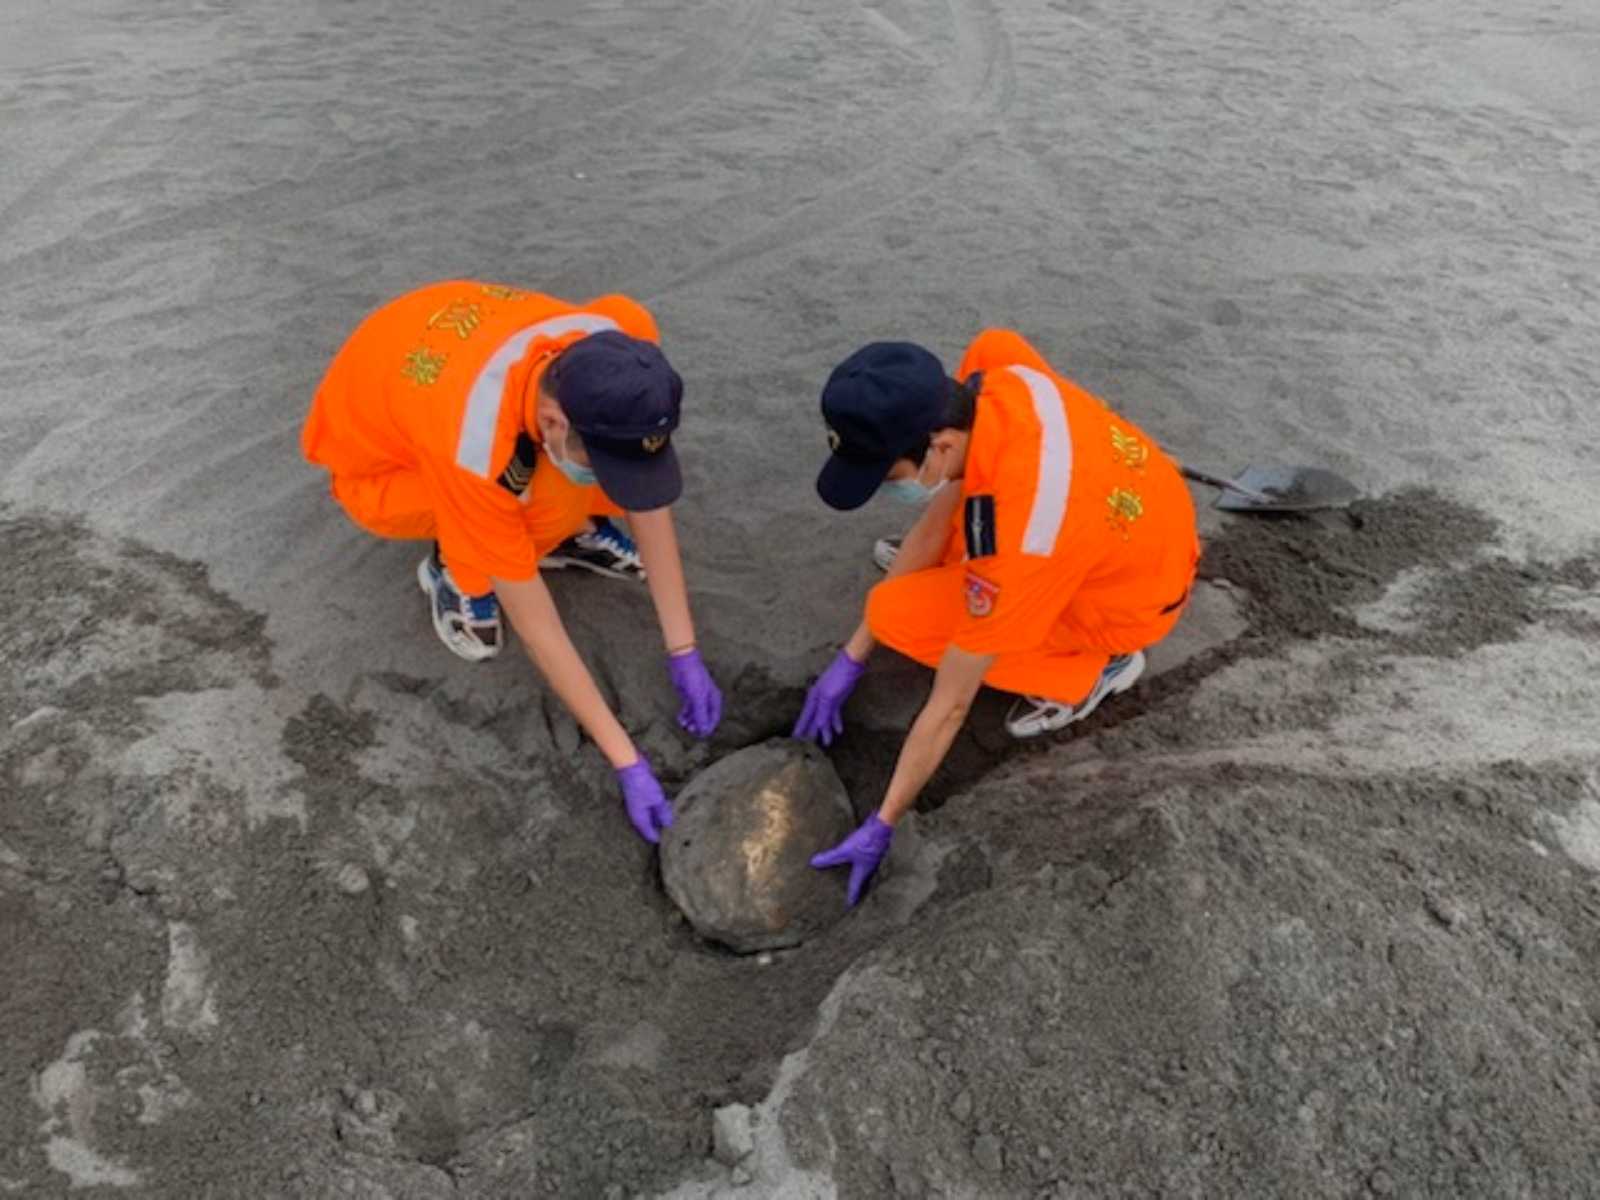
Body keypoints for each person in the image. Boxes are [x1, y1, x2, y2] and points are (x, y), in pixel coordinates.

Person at [302, 280, 723, 843]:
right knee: (516, 505)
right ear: (553, 422)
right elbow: (538, 624)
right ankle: (454, 572)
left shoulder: (623, 350)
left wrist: (684, 649)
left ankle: (563, 526)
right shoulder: (475, 446)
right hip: (378, 464)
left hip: (444, 354)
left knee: (564, 483)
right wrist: (626, 759)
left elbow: (648, 503)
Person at [797, 332, 1198, 903]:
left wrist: (882, 823)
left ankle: (1096, 671)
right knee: (911, 585)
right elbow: (942, 511)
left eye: (887, 476)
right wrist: (851, 656)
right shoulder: (995, 371)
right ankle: (977, 582)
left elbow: (951, 702)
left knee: (897, 612)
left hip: (1131, 596)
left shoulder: (1027, 536)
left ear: (937, 445)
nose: (886, 488)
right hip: (1137, 512)